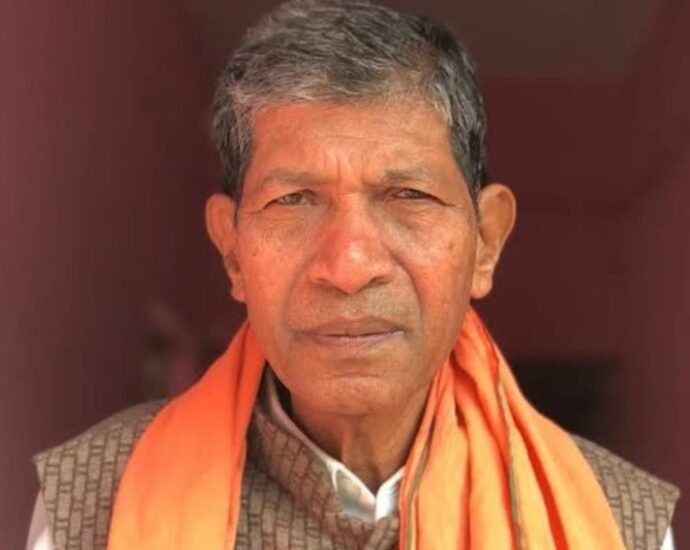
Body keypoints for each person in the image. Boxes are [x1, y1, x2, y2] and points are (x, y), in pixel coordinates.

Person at [28, 1, 679, 549]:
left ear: (485, 242)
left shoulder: (621, 522)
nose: (348, 267)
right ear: (231, 251)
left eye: (408, 196)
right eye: (294, 200)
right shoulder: (94, 498)